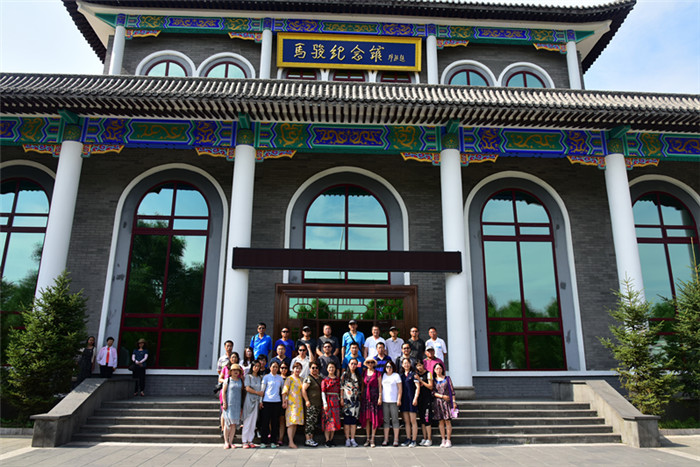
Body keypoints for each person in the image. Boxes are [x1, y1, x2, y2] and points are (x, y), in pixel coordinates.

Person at [259, 360, 284, 448]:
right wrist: (260, 401)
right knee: (265, 422)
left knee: (275, 423)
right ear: (270, 368)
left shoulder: (280, 378)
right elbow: (262, 390)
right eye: (273, 367)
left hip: (277, 402)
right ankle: (263, 441)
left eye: (276, 367)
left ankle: (273, 441)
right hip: (267, 401)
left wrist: (283, 401)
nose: (275, 368)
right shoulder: (266, 377)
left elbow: (283, 391)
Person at [432, 362, 456, 448]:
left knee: (447, 421)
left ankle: (448, 439)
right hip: (438, 402)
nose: (438, 370)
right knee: (441, 421)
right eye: (437, 368)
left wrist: (454, 402)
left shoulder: (447, 379)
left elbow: (452, 391)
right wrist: (442, 396)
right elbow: (432, 392)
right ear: (434, 370)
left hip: (447, 403)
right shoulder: (433, 380)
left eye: (440, 368)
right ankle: (443, 439)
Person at [360, 357, 382, 447]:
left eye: (372, 362)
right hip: (366, 398)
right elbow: (363, 386)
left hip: (374, 397)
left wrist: (380, 397)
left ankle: (372, 438)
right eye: (368, 362)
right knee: (367, 419)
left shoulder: (377, 373)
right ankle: (368, 438)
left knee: (374, 418)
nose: (370, 364)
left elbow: (380, 386)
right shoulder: (364, 373)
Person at [282, 361, 305, 449]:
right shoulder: (289, 379)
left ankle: (292, 440)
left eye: (299, 368)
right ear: (293, 369)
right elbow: (285, 391)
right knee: (291, 423)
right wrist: (284, 401)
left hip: (299, 403)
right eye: (296, 368)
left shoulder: (301, 379)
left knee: (295, 423)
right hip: (291, 403)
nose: (297, 370)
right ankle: (290, 441)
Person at [241, 360, 263, 448]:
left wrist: (260, 398)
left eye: (258, 366)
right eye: (255, 366)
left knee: (253, 421)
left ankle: (250, 440)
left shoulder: (260, 377)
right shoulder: (248, 376)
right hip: (249, 400)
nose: (256, 368)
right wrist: (257, 392)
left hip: (257, 401)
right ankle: (244, 441)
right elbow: (247, 388)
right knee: (247, 420)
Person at [221, 363, 244, 449]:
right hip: (229, 404)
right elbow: (224, 392)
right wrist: (224, 403)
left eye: (237, 370)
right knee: (227, 424)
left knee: (233, 424)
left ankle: (231, 442)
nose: (235, 372)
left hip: (237, 405)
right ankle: (226, 441)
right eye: (234, 370)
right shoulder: (227, 380)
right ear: (230, 372)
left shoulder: (240, 381)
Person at [380, 360, 402, 446]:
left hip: (394, 401)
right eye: (387, 367)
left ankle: (396, 439)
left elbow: (400, 389)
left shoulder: (396, 376)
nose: (389, 368)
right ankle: (386, 439)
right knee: (386, 420)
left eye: (390, 367)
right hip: (385, 401)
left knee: (395, 420)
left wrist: (399, 399)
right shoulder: (383, 375)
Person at [340, 358, 361, 447]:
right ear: (348, 364)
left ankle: (352, 438)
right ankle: (347, 439)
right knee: (347, 421)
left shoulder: (358, 375)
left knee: (353, 421)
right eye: (352, 363)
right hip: (347, 401)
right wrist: (341, 398)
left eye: (355, 364)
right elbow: (341, 387)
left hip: (355, 401)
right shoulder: (345, 374)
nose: (353, 365)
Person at [302, 362, 323, 447]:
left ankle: (311, 439)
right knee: (309, 422)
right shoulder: (308, 378)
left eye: (316, 368)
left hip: (318, 404)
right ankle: (308, 439)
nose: (315, 369)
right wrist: (307, 400)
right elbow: (303, 390)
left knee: (314, 422)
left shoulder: (320, 378)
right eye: (313, 368)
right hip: (311, 404)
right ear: (310, 369)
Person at [400, 357, 420, 447]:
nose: (406, 365)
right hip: (404, 400)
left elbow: (417, 387)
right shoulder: (401, 376)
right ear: (402, 365)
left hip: (412, 399)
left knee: (413, 421)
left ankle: (414, 440)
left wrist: (415, 398)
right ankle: (408, 439)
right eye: (404, 363)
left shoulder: (414, 374)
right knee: (406, 421)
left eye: (407, 363)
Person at [321, 361, 341, 447]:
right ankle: (327, 440)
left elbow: (340, 390)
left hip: (335, 401)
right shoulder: (325, 380)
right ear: (327, 369)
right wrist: (325, 403)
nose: (331, 369)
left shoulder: (338, 380)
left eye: (333, 367)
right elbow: (323, 392)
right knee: (328, 421)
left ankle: (332, 439)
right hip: (328, 401)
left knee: (334, 421)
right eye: (330, 367)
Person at [414, 359, 434, 446]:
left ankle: (429, 439)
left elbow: (430, 386)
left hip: (427, 399)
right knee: (422, 420)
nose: (419, 367)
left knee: (427, 419)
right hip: (420, 399)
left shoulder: (428, 374)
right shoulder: (416, 374)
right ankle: (424, 438)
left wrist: (421, 380)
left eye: (420, 365)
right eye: (417, 366)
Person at [277, 363, 290, 445]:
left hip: (286, 401)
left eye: (285, 368)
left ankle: (280, 438)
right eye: (282, 368)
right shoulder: (276, 377)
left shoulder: (289, 378)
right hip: (275, 400)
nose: (283, 369)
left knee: (282, 420)